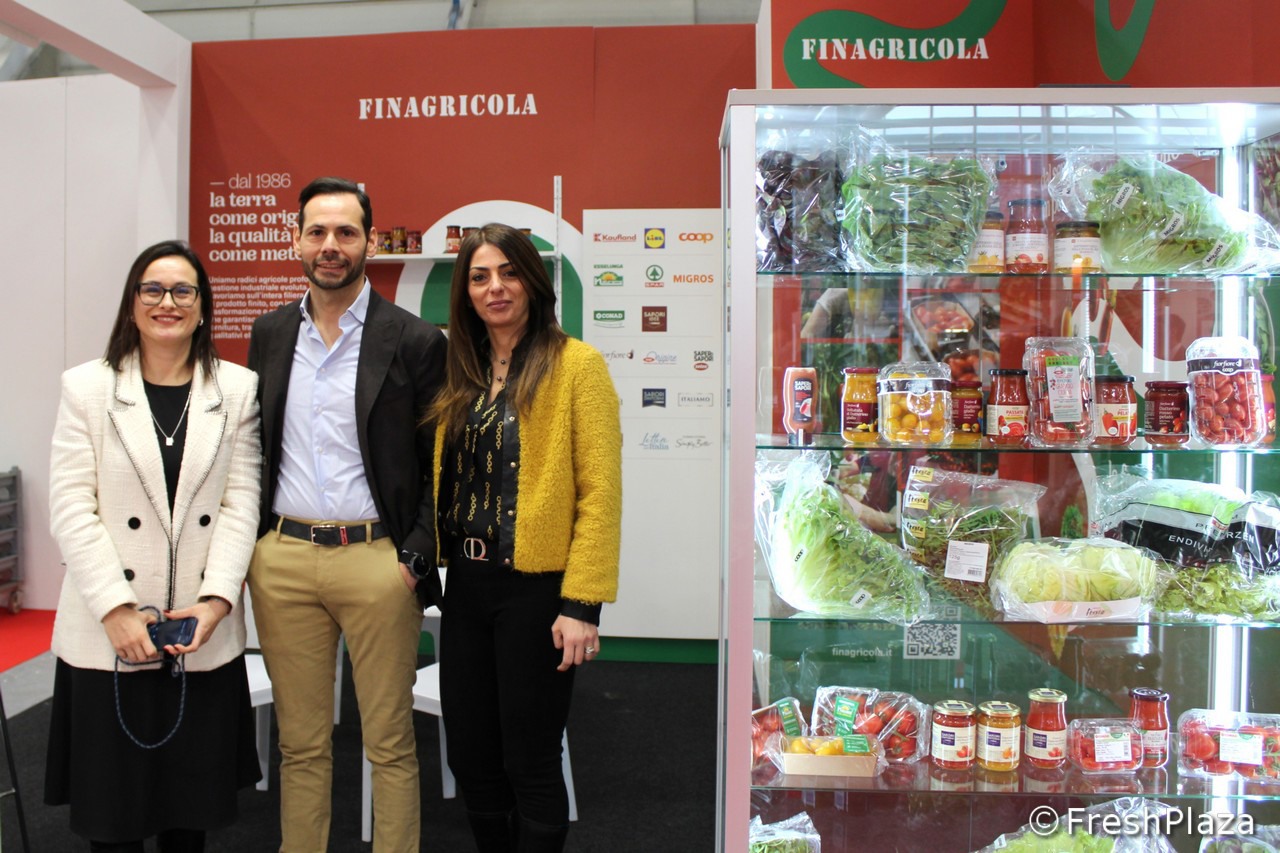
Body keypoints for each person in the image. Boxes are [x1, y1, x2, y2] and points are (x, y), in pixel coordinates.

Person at [246, 176, 446, 852]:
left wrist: (415, 555)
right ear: (296, 241)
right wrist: (256, 550)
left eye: (346, 232)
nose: (330, 245)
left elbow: (438, 463)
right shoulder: (271, 333)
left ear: (369, 241)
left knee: (388, 743)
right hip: (284, 561)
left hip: (377, 562)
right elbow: (257, 446)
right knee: (300, 745)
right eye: (317, 232)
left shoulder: (414, 340)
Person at [45, 240, 263, 851]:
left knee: (187, 819)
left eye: (183, 291)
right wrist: (115, 609)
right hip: (108, 633)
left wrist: (216, 602)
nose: (168, 302)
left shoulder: (237, 389)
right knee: (112, 821)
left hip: (197, 633)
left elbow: (240, 505)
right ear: (132, 303)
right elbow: (71, 507)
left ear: (202, 306)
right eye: (153, 289)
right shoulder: (87, 388)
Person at [429, 223, 621, 852]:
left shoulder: (577, 366)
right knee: (471, 757)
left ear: (534, 283)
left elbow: (600, 494)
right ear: (465, 291)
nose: (496, 287)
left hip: (536, 592)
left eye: (509, 273)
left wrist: (582, 604)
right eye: (480, 276)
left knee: (531, 758)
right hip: (467, 588)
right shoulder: (460, 369)